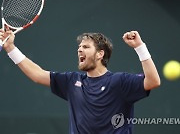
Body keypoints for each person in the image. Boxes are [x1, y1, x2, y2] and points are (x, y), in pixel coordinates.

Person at [0, 29, 160, 134]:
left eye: (86, 47)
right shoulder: (71, 82)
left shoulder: (120, 82)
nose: (79, 49)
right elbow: (37, 74)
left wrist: (140, 47)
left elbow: (153, 81)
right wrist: (10, 48)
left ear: (100, 54)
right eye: (79, 47)